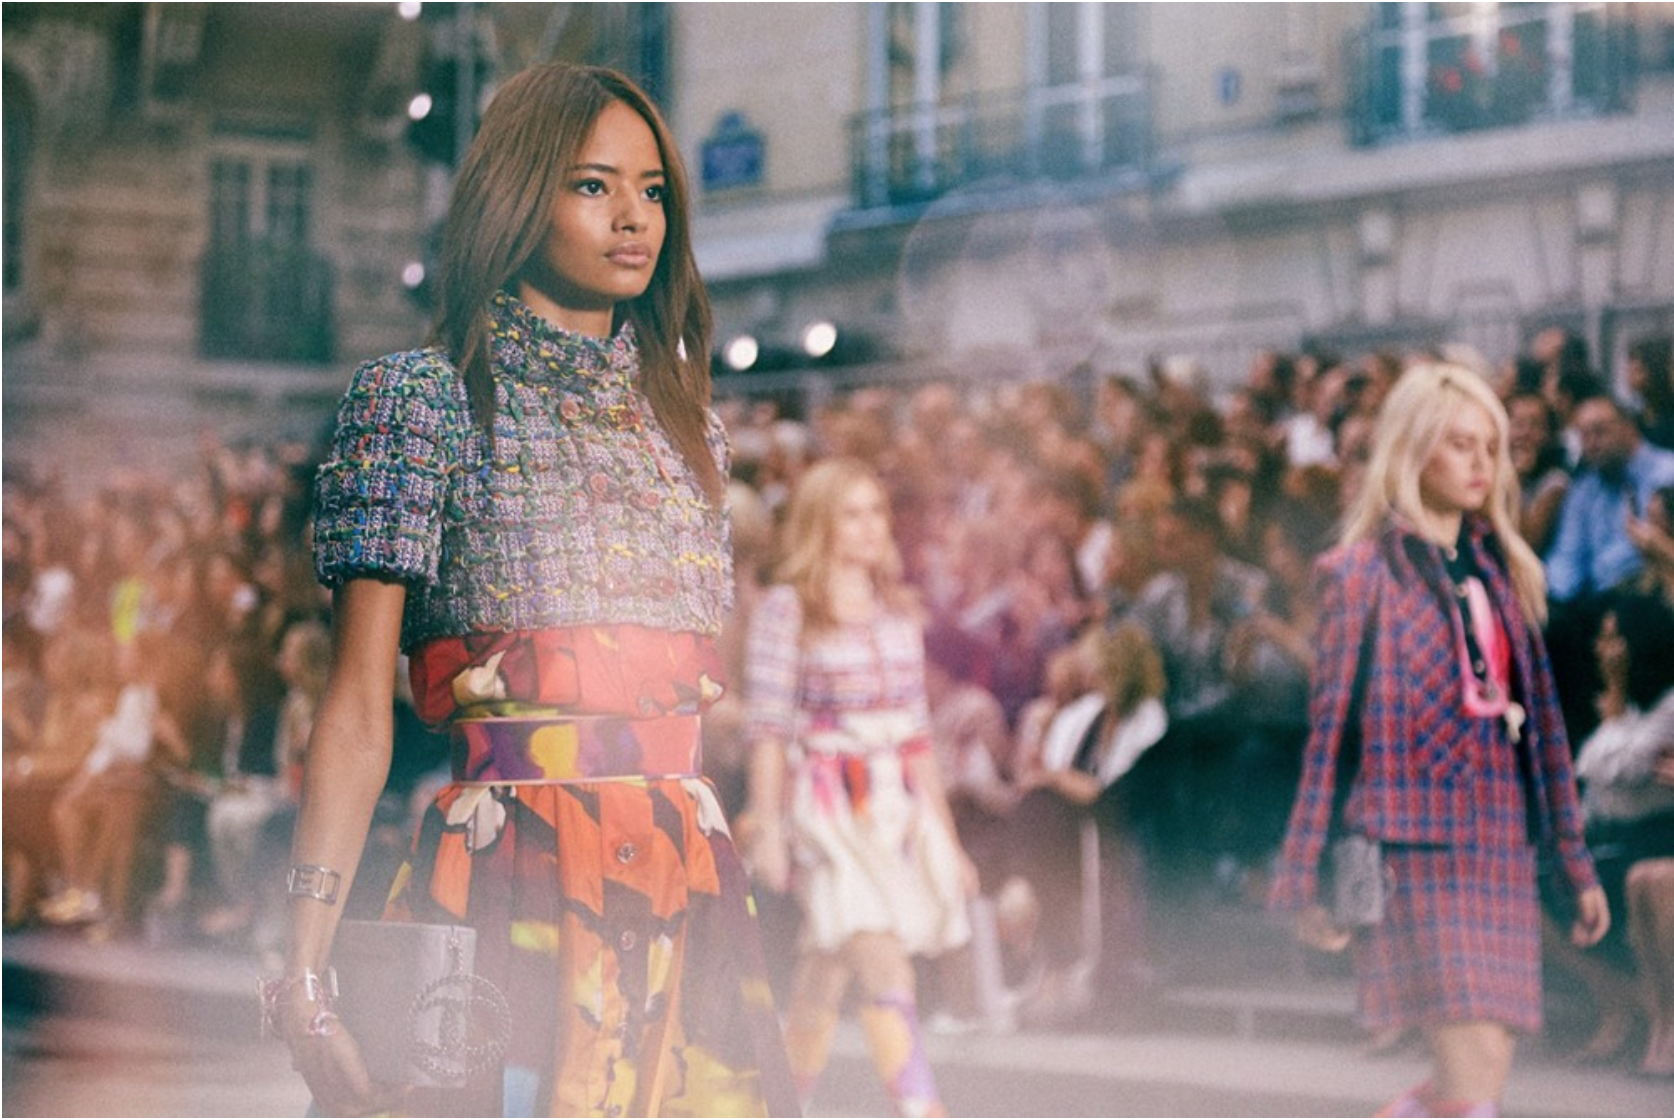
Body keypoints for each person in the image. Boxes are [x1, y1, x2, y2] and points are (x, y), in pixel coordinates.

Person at [270, 63, 794, 1117]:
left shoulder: (689, 426)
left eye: (652, 190)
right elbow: (356, 708)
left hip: (685, 879)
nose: (633, 217)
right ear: (520, 194)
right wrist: (305, 967)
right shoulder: (417, 400)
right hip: (508, 871)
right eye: (593, 185)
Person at [1269, 362, 1609, 1118]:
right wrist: (1300, 876)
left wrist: (1576, 865)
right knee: (1473, 1071)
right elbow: (1330, 737)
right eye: (1460, 444)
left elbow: (1546, 736)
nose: (1483, 463)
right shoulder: (1359, 574)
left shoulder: (1506, 575)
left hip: (1498, 846)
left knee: (1484, 1072)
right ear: (1413, 450)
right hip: (1407, 850)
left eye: (1491, 446)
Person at [743, 457, 975, 1118]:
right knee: (882, 960)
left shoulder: (897, 610)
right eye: (853, 512)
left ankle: (778, 1107)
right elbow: (767, 726)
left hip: (893, 809)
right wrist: (767, 826)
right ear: (822, 522)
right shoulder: (787, 609)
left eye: (877, 511)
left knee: (825, 969)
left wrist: (948, 844)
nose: (871, 526)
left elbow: (919, 737)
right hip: (824, 809)